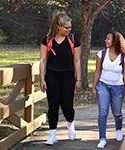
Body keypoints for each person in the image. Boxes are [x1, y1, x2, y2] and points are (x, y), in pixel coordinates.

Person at [39, 10, 82, 145]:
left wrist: (79, 79)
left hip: (68, 75)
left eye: (70, 27)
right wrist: (42, 79)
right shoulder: (47, 40)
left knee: (67, 105)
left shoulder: (73, 40)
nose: (69, 30)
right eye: (66, 28)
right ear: (58, 26)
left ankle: (70, 125)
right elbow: (43, 61)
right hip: (52, 75)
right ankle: (52, 134)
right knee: (53, 105)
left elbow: (77, 60)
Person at [92, 31, 125, 148]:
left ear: (115, 41)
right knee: (103, 112)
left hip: (118, 88)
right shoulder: (101, 54)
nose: (105, 41)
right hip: (103, 85)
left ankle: (118, 129)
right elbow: (97, 72)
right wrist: (94, 87)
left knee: (117, 112)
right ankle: (102, 138)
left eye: (108, 39)